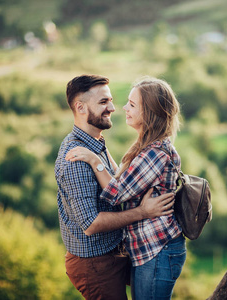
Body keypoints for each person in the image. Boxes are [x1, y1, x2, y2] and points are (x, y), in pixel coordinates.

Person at [55, 74, 175, 300]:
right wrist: (144, 212)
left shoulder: (95, 144)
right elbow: (90, 224)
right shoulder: (76, 160)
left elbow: (119, 184)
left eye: (110, 100)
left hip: (113, 254)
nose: (112, 107)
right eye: (103, 102)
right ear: (80, 107)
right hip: (95, 264)